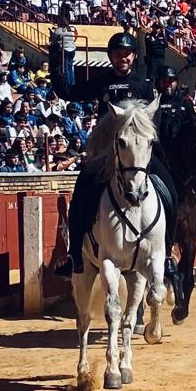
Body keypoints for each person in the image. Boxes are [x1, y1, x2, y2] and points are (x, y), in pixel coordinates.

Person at [49, 27, 178, 283]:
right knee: (83, 189)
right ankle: (76, 253)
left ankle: (167, 254)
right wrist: (57, 56)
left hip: (139, 155)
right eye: (119, 54)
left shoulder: (144, 85)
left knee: (171, 191)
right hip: (107, 153)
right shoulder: (102, 81)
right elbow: (67, 91)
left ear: (133, 56)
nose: (124, 58)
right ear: (111, 56)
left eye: (128, 54)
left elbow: (156, 115)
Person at [156, 65, 196, 239]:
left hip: (183, 156)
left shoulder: (185, 102)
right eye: (165, 81)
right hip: (161, 155)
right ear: (159, 83)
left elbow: (195, 122)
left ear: (176, 83)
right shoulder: (155, 103)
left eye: (171, 81)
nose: (168, 85)